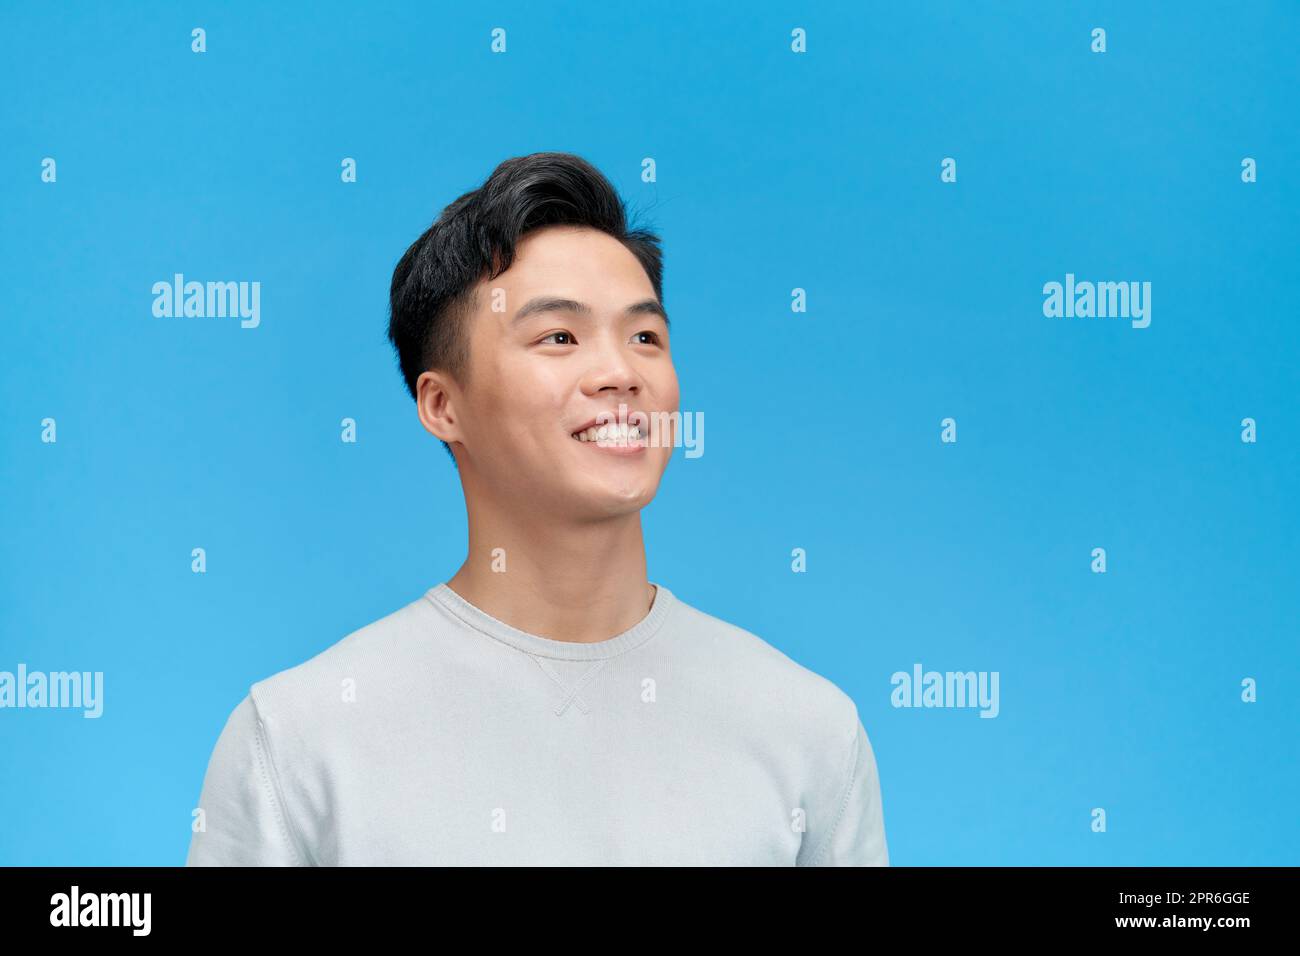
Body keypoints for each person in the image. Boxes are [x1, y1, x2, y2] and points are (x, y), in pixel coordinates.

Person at [185, 152, 889, 866]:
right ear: (441, 405)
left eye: (645, 337)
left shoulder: (808, 729)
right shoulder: (301, 738)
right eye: (560, 337)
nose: (621, 374)